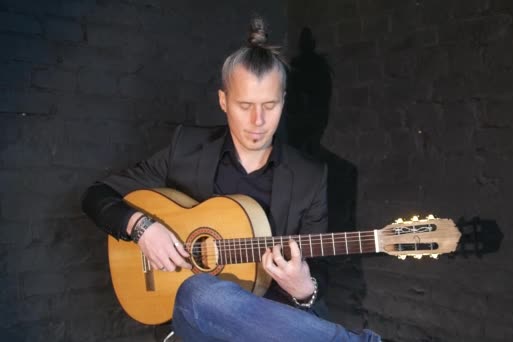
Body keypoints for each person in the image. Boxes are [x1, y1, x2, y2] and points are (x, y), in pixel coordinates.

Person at [81, 17, 381, 342]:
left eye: (270, 105)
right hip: (194, 320)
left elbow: (316, 275)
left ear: (284, 101)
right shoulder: (186, 150)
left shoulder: (310, 177)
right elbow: (97, 195)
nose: (258, 121)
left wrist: (304, 288)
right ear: (223, 101)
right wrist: (142, 228)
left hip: (274, 326)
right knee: (198, 290)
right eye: (244, 106)